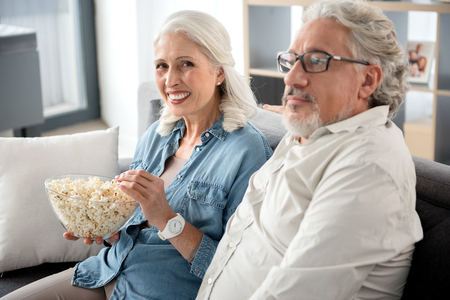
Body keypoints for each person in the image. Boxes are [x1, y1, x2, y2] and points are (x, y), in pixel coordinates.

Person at [2, 10, 272, 300]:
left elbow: (239, 272)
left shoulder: (248, 152)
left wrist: (167, 219)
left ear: (219, 71)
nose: (171, 80)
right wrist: (106, 227)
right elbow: (132, 221)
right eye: (161, 66)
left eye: (186, 64)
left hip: (159, 289)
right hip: (106, 271)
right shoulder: (157, 135)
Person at [196, 0, 423, 299]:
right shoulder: (315, 130)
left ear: (367, 81)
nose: (290, 77)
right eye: (292, 60)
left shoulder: (369, 168)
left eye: (316, 61)